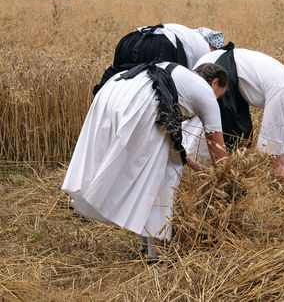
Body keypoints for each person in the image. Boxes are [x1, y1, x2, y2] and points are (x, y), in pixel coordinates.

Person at [62, 62, 228, 259]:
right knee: (165, 177)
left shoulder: (180, 80)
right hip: (140, 100)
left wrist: (198, 167)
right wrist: (228, 184)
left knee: (156, 170)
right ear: (214, 83)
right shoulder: (206, 94)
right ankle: (157, 253)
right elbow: (218, 150)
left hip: (116, 88)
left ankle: (146, 245)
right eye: (221, 94)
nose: (218, 99)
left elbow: (174, 148)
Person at [184, 47, 284, 181]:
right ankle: (195, 169)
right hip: (219, 67)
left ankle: (206, 169)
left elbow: (280, 126)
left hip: (222, 67)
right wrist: (278, 167)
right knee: (209, 121)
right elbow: (272, 127)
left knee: (237, 132)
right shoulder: (282, 85)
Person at [93, 23, 225, 95]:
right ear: (212, 46)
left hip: (131, 39)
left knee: (118, 90)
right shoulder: (205, 51)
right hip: (161, 46)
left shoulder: (186, 33)